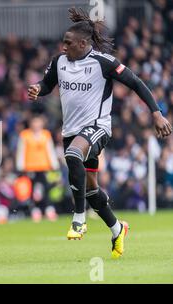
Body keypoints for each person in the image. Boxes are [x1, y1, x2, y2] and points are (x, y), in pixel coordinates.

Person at [27, 8, 172, 258]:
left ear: (83, 44)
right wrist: (37, 89)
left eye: (68, 43)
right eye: (63, 42)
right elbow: (48, 84)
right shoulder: (59, 62)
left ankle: (79, 218)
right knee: (91, 188)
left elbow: (136, 82)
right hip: (71, 130)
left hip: (97, 127)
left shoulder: (103, 62)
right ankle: (117, 229)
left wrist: (156, 112)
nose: (63, 47)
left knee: (73, 155)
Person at [16, 115, 59, 222]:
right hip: (30, 166)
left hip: (44, 166)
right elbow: (21, 150)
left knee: (47, 188)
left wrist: (54, 164)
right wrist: (20, 165)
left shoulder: (46, 134)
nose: (36, 125)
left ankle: (49, 209)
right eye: (34, 122)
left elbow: (50, 150)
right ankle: (35, 210)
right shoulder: (25, 135)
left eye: (38, 122)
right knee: (32, 190)